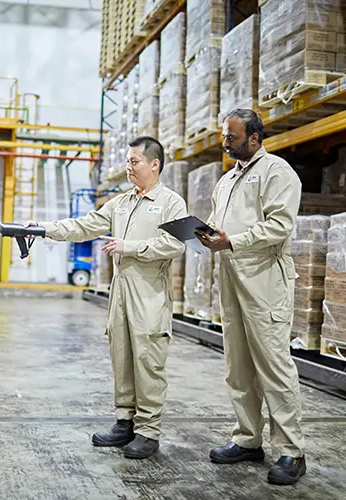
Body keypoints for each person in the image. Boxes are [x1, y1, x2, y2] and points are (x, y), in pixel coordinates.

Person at [26, 136, 187, 459]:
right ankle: (125, 421)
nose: (128, 166)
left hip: (150, 296)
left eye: (135, 161)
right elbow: (83, 226)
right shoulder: (121, 203)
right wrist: (44, 229)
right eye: (127, 161)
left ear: (154, 164)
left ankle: (148, 431)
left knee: (148, 361)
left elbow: (176, 245)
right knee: (122, 357)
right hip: (121, 294)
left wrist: (131, 247)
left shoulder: (171, 203)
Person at [196, 108, 306, 485]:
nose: (225, 143)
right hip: (231, 275)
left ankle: (291, 451)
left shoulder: (277, 173)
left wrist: (232, 241)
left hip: (265, 279)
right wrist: (207, 235)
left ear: (255, 138)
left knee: (273, 366)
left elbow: (279, 226)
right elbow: (223, 227)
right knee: (238, 365)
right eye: (224, 136)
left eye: (232, 137)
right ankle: (247, 439)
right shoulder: (226, 181)